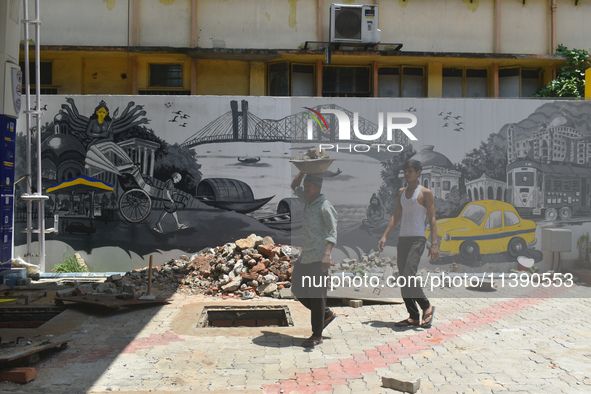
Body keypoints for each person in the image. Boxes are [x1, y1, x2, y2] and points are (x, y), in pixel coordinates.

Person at [378, 160, 439, 328]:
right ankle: (413, 316)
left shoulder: (425, 193)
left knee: (408, 275)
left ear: (419, 172)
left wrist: (434, 243)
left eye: (410, 171)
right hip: (402, 240)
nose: (406, 174)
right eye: (405, 171)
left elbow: (433, 218)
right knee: (403, 279)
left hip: (418, 239)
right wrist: (384, 236)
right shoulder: (401, 192)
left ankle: (426, 306)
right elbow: (396, 216)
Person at [291, 171, 338, 347]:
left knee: (317, 295)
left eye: (309, 185)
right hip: (306, 257)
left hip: (319, 258)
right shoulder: (308, 202)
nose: (305, 187)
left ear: (317, 187)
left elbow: (333, 232)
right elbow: (294, 186)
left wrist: (327, 255)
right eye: (306, 185)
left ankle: (317, 334)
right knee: (297, 288)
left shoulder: (325, 206)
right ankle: (325, 314)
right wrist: (303, 171)